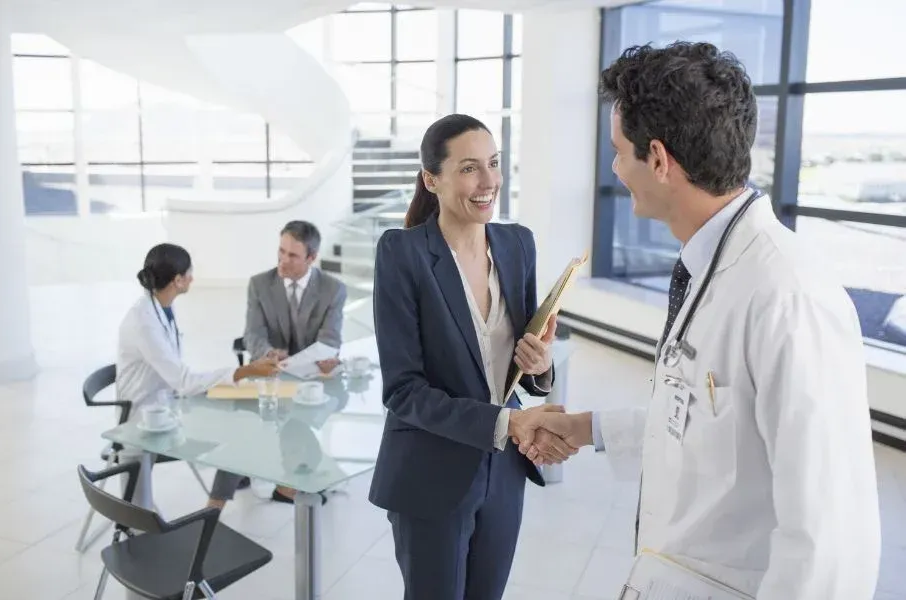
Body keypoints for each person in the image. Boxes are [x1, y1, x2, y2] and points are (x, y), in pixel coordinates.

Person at [516, 42, 881, 599]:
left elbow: (830, 542)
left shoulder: (787, 294)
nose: (615, 168)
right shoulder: (710, 264)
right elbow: (709, 424)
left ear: (658, 159)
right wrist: (587, 428)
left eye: (619, 151)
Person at [370, 113, 577, 600]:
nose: (489, 182)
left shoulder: (517, 244)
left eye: (494, 163)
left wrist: (541, 366)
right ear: (431, 179)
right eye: (468, 168)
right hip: (430, 470)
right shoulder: (403, 253)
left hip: (503, 471)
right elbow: (403, 391)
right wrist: (507, 424)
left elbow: (523, 369)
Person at [116, 243, 279, 509]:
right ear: (178, 280)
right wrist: (247, 370)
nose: (193, 277)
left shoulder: (163, 307)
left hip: (169, 404)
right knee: (135, 515)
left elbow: (178, 378)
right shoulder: (143, 321)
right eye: (189, 272)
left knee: (242, 424)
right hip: (142, 419)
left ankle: (213, 508)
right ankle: (210, 513)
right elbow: (183, 380)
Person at [207, 220, 347, 507]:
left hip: (311, 380)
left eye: (292, 255)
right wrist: (268, 352)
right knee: (241, 432)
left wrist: (320, 361)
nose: (283, 260)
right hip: (269, 377)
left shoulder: (333, 289)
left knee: (314, 414)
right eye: (281, 251)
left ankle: (298, 480)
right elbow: (253, 334)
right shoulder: (260, 284)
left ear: (312, 258)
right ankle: (218, 504)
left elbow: (330, 339)